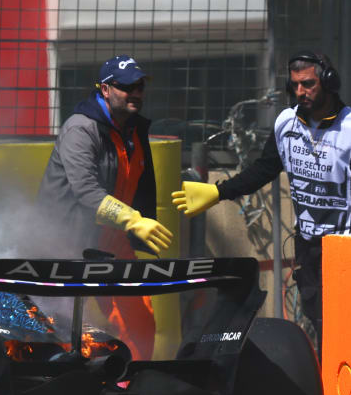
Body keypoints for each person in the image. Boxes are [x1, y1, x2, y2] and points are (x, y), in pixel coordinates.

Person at [173, 51, 351, 357]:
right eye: (294, 85)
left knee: (342, 327)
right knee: (319, 322)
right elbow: (264, 169)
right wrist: (219, 192)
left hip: (344, 247)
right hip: (309, 246)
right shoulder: (286, 123)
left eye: (308, 84)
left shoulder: (348, 129)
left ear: (328, 82)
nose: (300, 92)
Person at [36, 55, 173, 360]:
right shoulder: (80, 129)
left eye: (139, 85)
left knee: (138, 320)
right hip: (67, 242)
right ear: (106, 89)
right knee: (61, 328)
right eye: (126, 86)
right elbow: (86, 191)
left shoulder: (133, 129)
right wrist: (133, 220)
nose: (135, 92)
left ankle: (131, 387)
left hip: (112, 238)